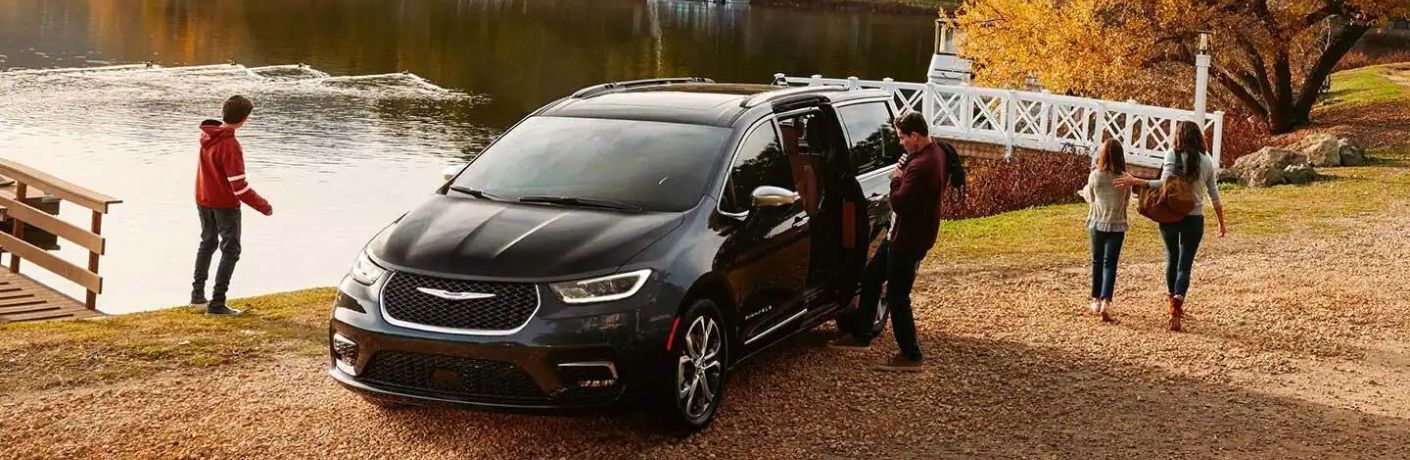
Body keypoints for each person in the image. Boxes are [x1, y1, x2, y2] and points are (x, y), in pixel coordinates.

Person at [828, 112, 948, 371]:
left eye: (903, 138)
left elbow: (900, 203)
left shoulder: (921, 165)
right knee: (871, 278)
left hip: (907, 241)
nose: (901, 142)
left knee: (898, 297)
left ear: (915, 136)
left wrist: (895, 180)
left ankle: (911, 356)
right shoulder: (933, 153)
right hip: (902, 235)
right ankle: (861, 335)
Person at [1114, 120, 1226, 332]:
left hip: (1170, 215)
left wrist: (1137, 181)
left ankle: (1171, 306)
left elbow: (1164, 184)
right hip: (1195, 218)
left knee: (1172, 258)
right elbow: (1214, 195)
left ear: (1178, 136)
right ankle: (1177, 302)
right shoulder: (1207, 161)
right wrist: (1221, 223)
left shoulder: (1172, 155)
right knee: (1185, 265)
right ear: (1199, 137)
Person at [191, 95, 274, 316]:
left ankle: (197, 296)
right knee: (231, 250)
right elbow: (239, 188)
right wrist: (264, 206)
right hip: (224, 204)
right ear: (245, 119)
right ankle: (217, 304)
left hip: (203, 198)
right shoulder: (230, 145)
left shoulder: (207, 135)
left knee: (207, 243)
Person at [1079, 140, 1130, 323]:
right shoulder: (1125, 178)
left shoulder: (1095, 176)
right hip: (1117, 225)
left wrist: (1083, 192)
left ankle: (1095, 299)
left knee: (1097, 261)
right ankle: (1106, 302)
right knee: (1111, 264)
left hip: (1097, 223)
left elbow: (1091, 198)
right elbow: (1126, 202)